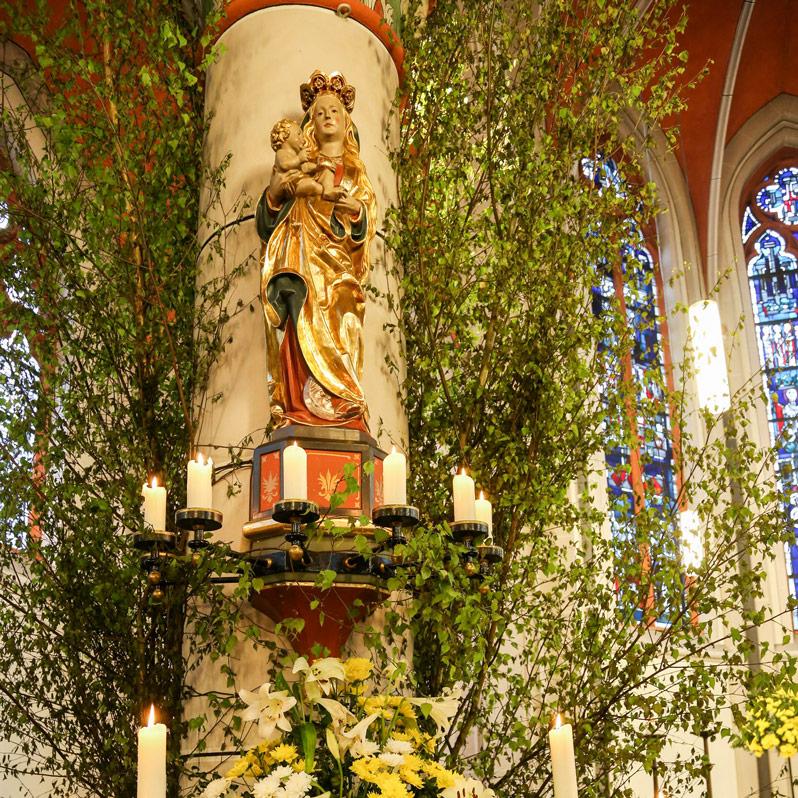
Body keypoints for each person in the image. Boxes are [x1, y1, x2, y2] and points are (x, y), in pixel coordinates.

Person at [256, 71, 377, 432]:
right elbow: (267, 224)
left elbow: (365, 221)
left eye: (334, 111)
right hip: (300, 257)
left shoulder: (356, 171)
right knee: (297, 323)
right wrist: (276, 196)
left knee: (343, 321)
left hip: (338, 268)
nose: (327, 116)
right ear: (309, 125)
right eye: (320, 111)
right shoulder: (294, 166)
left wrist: (353, 209)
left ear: (346, 122)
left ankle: (344, 403)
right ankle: (297, 406)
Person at [268, 118, 348, 202]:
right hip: (293, 184)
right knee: (312, 185)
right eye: (298, 134)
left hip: (303, 179)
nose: (303, 139)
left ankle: (328, 190)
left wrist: (318, 167)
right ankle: (324, 192)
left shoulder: (297, 154)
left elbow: (305, 167)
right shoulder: (282, 153)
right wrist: (299, 159)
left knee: (326, 171)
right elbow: (284, 164)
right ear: (284, 137)